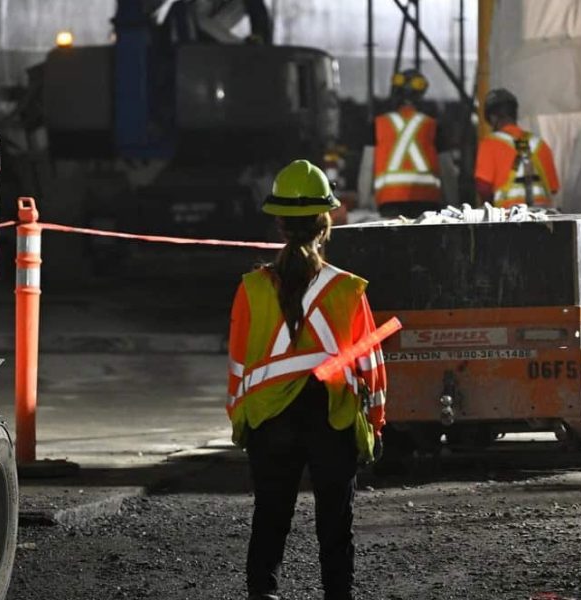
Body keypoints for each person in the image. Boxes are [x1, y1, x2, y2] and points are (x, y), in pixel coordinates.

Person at [227, 159, 387, 600]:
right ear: (327, 222)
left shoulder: (251, 288)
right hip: (331, 419)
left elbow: (239, 364)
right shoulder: (350, 290)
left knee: (270, 516)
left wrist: (241, 419)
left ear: (279, 223)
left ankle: (265, 593)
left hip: (268, 420)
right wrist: (374, 424)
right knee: (336, 524)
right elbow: (370, 366)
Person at [373, 68, 443, 218]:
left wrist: (366, 201)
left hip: (389, 201)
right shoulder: (433, 126)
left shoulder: (379, 124)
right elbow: (447, 169)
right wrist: (452, 204)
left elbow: (367, 167)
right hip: (427, 201)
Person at [475, 88, 559, 208]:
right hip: (543, 218)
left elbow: (483, 187)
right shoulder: (540, 145)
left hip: (508, 219)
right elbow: (553, 189)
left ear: (492, 118)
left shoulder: (489, 144)